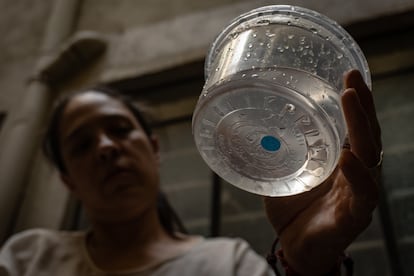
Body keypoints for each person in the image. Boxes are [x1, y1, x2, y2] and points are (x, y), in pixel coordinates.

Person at [0, 70, 382, 276]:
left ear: (153, 148)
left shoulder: (228, 264)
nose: (106, 147)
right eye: (81, 145)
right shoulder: (30, 259)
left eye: (119, 129)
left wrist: (309, 268)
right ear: (67, 180)